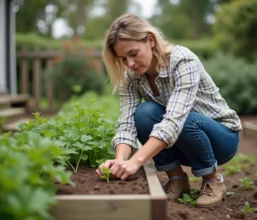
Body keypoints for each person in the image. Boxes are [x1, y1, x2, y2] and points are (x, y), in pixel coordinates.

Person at [96, 13, 242, 207]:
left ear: (150, 40)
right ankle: (177, 180)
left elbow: (174, 121)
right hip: (183, 141)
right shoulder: (132, 76)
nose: (129, 64)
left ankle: (213, 181)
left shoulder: (183, 61)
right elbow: (127, 121)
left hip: (222, 139)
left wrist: (136, 161)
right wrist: (120, 161)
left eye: (133, 53)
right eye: (123, 59)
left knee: (186, 119)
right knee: (143, 113)